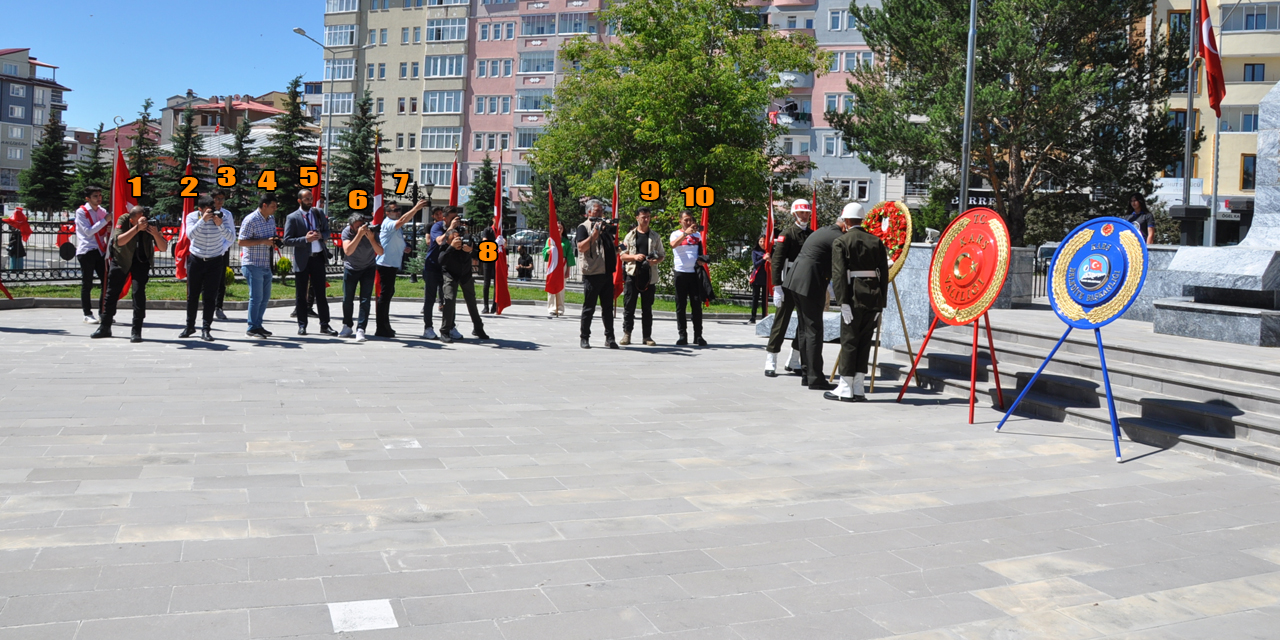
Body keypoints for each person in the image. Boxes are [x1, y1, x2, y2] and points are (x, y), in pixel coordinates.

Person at [787, 205, 861, 391]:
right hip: (809, 283)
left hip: (796, 281)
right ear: (845, 224)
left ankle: (807, 374)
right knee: (813, 330)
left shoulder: (825, 230)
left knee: (805, 329)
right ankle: (815, 378)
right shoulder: (837, 236)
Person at [826, 203, 889, 402]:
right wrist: (882, 303)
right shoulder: (876, 241)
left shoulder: (841, 241)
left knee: (849, 341)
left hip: (853, 296)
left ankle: (845, 387)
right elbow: (883, 274)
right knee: (864, 342)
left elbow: (838, 274)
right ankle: (859, 387)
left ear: (845, 221)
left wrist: (842, 302)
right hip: (873, 297)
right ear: (861, 220)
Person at [91, 205, 167, 342]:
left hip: (141, 261)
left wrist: (155, 233)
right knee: (111, 293)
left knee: (138, 293)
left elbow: (163, 247)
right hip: (121, 259)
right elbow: (119, 241)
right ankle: (105, 326)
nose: (144, 222)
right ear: (132, 220)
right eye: (140, 220)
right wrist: (137, 228)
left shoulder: (151, 224)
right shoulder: (124, 219)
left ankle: (136, 330)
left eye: (145, 219)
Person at [764, 199, 813, 377]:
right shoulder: (787, 234)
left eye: (807, 213)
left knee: (804, 323)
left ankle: (794, 360)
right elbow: (777, 262)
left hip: (804, 283)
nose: (805, 216)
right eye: (801, 213)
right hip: (788, 282)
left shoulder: (811, 234)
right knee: (781, 322)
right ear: (794, 214)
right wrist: (777, 286)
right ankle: (771, 360)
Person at [180, 194, 236, 341]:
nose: (211, 212)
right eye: (208, 210)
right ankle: (189, 326)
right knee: (192, 295)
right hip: (196, 260)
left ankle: (206, 329)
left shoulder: (221, 217)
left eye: (212, 209)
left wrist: (220, 224)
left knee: (210, 297)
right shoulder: (192, 217)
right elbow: (190, 235)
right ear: (200, 209)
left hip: (215, 260)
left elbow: (231, 238)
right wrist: (202, 221)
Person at [283, 189, 338, 336]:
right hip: (302, 260)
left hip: (318, 258)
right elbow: (286, 240)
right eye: (306, 199)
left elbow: (327, 232)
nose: (310, 201)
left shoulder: (318, 213)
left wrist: (322, 235)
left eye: (311, 198)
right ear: (299, 201)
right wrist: (304, 239)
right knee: (301, 294)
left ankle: (325, 325)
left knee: (321, 293)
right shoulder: (292, 217)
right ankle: (302, 325)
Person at [375, 200, 425, 338]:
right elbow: (403, 220)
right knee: (385, 295)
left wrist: (404, 247)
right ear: (387, 213)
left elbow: (394, 241)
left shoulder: (394, 225)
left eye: (399, 209)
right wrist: (415, 208)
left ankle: (385, 325)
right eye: (395, 210)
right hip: (385, 263)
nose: (398, 212)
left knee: (389, 293)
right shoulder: (388, 223)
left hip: (391, 264)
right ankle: (381, 327)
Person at [575, 199, 619, 349]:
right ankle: (584, 337)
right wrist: (594, 235)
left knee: (608, 308)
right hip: (592, 273)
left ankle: (610, 338)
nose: (600, 214)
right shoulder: (583, 227)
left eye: (602, 211)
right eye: (597, 211)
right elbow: (581, 247)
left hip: (607, 273)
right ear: (588, 212)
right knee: (589, 307)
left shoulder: (605, 227)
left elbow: (608, 247)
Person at [619, 207, 666, 346]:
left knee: (647, 308)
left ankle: (647, 337)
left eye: (648, 217)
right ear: (637, 218)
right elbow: (622, 254)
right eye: (643, 217)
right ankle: (627, 334)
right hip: (632, 274)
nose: (646, 219)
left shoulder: (655, 236)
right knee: (629, 306)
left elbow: (662, 255)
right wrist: (634, 256)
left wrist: (654, 261)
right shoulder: (629, 236)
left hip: (649, 276)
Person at [238, 193, 280, 338]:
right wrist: (263, 241)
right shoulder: (251, 220)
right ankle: (251, 327)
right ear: (264, 205)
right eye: (273, 206)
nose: (275, 209)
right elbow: (241, 242)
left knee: (264, 297)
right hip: (252, 263)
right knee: (256, 297)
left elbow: (271, 237)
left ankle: (258, 324)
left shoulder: (271, 219)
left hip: (266, 263)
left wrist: (274, 240)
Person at [438, 226, 489, 343]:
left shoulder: (466, 242)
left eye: (458, 238)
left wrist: (470, 250)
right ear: (448, 240)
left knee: (471, 302)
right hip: (450, 275)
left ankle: (478, 329)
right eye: (454, 239)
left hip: (465, 275)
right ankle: (445, 331)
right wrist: (451, 248)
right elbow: (441, 261)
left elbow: (479, 254)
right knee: (449, 300)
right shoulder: (445, 246)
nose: (458, 241)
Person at [339, 211, 384, 342]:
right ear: (352, 226)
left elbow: (380, 251)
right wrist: (359, 235)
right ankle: (347, 325)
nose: (362, 228)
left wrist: (371, 239)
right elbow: (348, 251)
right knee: (347, 298)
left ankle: (361, 329)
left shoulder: (371, 231)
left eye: (362, 225)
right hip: (351, 268)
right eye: (358, 226)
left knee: (365, 300)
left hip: (368, 268)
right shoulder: (347, 232)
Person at [669, 210, 707, 346]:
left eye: (691, 220)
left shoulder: (698, 235)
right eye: (686, 220)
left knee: (696, 305)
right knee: (681, 305)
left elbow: (701, 252)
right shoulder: (676, 234)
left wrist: (702, 260)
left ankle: (698, 335)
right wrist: (685, 233)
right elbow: (673, 245)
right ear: (680, 221)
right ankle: (682, 335)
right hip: (681, 273)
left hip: (694, 273)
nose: (689, 222)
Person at [74, 185, 111, 323]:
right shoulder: (81, 212)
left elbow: (106, 227)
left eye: (100, 196)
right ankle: (87, 314)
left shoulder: (102, 211)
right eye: (95, 196)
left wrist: (108, 224)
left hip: (100, 251)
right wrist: (105, 221)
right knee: (87, 283)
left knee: (106, 282)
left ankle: (103, 312)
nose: (99, 198)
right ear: (87, 198)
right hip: (87, 250)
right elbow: (88, 231)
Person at [421, 206, 449, 339]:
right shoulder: (434, 226)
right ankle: (428, 327)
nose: (440, 216)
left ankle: (450, 326)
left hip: (445, 267)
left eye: (442, 213)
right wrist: (450, 230)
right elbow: (436, 241)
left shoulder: (453, 227)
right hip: (432, 266)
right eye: (438, 214)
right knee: (429, 298)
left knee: (448, 299)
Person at [210, 190, 236, 321]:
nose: (220, 201)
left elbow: (231, 235)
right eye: (217, 199)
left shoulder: (227, 214)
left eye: (222, 199)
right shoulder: (205, 213)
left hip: (221, 252)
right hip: (207, 251)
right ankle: (207, 306)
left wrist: (222, 249)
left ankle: (218, 307)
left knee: (220, 281)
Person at [544, 221, 574, 318]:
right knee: (551, 285)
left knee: (561, 287)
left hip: (562, 264)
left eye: (561, 228)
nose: (559, 229)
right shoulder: (550, 240)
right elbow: (544, 251)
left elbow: (570, 255)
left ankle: (560, 308)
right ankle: (552, 308)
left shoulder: (565, 241)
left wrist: (568, 270)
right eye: (557, 228)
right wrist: (548, 251)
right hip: (553, 264)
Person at [749, 235, 769, 323]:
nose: (762, 243)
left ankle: (764, 317)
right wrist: (764, 259)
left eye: (764, 241)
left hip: (766, 277)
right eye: (760, 241)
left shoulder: (769, 251)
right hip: (757, 277)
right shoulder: (755, 251)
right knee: (755, 298)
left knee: (765, 299)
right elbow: (755, 264)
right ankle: (753, 317)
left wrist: (769, 258)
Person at [480, 225, 498, 313]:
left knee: (496, 283)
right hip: (488, 256)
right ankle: (486, 306)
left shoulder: (502, 230)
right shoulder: (487, 229)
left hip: (497, 259)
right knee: (486, 282)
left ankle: (495, 305)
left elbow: (505, 243)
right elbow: (484, 241)